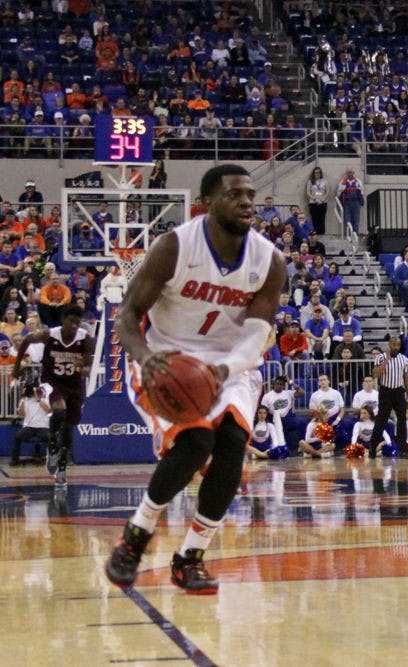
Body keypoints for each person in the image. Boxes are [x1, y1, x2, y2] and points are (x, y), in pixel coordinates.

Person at [103, 164, 286, 594]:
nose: (246, 203)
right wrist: (146, 357)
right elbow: (127, 316)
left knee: (231, 448)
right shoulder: (174, 247)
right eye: (234, 195)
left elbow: (258, 333)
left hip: (231, 363)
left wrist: (226, 369)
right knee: (194, 443)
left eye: (250, 196)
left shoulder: (269, 260)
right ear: (207, 202)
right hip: (169, 359)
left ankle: (190, 557)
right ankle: (137, 535)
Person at [13, 304, 94, 485]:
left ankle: (62, 467)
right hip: (51, 381)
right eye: (71, 321)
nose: (74, 325)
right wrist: (17, 367)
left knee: (68, 428)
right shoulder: (50, 334)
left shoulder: (86, 339)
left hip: (74, 384)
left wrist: (85, 368)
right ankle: (51, 445)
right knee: (59, 411)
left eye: (77, 322)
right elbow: (26, 341)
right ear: (63, 320)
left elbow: (88, 364)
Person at [369, 336, 408, 457]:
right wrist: (387, 360)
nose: (396, 347)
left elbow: (407, 380)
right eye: (394, 344)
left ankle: (403, 448)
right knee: (381, 420)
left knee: (402, 419)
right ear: (389, 345)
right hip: (385, 392)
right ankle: (373, 447)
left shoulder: (404, 359)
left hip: (398, 391)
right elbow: (376, 374)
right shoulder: (380, 357)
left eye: (398, 345)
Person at [11, 377, 51, 466]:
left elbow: (49, 410)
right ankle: (15, 460)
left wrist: (38, 399)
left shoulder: (45, 398)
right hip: (29, 427)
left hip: (43, 427)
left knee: (51, 438)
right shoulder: (25, 400)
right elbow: (21, 414)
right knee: (17, 436)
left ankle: (53, 460)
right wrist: (23, 399)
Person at [336, 168, 364, 234]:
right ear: (346, 174)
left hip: (356, 202)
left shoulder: (358, 181)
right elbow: (338, 192)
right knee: (347, 220)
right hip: (347, 203)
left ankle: (355, 235)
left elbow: (362, 192)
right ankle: (347, 235)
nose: (349, 174)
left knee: (356, 220)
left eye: (351, 172)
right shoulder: (342, 182)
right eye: (348, 172)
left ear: (353, 173)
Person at [305, 165, 330, 235]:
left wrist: (322, 200)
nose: (317, 174)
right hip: (313, 203)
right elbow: (308, 192)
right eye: (316, 172)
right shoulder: (310, 181)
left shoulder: (325, 181)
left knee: (322, 219)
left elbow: (327, 192)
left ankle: (322, 234)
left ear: (321, 173)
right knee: (314, 219)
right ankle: (315, 234)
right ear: (313, 173)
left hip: (323, 202)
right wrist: (315, 199)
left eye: (319, 172)